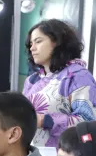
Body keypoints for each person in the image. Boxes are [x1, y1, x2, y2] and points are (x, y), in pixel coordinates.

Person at [23, 19, 96, 147]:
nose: (32, 48)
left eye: (38, 41)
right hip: (32, 155)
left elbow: (89, 123)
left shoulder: (78, 76)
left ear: (57, 42)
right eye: (30, 44)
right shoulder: (31, 80)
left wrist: (44, 120)